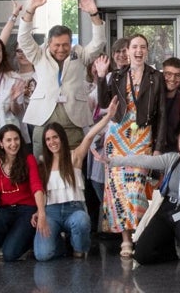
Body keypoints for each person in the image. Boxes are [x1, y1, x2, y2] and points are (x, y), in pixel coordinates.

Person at [96, 34, 167, 257]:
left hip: (142, 136)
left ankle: (140, 234)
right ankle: (125, 239)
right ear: (127, 51)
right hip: (117, 136)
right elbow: (104, 104)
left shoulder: (156, 77)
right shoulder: (116, 76)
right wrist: (100, 76)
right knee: (118, 190)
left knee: (136, 186)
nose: (138, 51)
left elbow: (162, 114)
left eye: (142, 47)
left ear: (147, 50)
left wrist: (158, 146)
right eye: (134, 47)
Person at [108, 128, 180, 265]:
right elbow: (144, 161)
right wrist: (112, 161)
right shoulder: (173, 159)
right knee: (141, 255)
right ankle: (173, 250)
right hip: (168, 208)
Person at [15, 0, 106, 148]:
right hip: (43, 121)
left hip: (73, 122)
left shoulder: (79, 53)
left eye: (65, 44)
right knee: (43, 167)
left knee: (73, 168)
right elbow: (23, 38)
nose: (61, 49)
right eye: (56, 45)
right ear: (48, 43)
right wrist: (30, 9)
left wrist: (93, 14)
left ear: (71, 42)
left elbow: (98, 43)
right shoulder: (39, 54)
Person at [35, 109, 113, 261]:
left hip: (73, 209)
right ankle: (60, 243)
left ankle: (79, 248)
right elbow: (39, 191)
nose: (52, 142)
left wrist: (108, 116)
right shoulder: (43, 162)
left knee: (81, 222)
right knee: (43, 255)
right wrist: (39, 212)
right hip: (51, 212)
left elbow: (90, 136)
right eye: (48, 139)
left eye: (55, 137)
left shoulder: (75, 156)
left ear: (62, 138)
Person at [0, 124, 46, 262]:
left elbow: (36, 185)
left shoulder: (29, 159)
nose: (13, 144)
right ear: (1, 143)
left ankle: (24, 242)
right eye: (8, 140)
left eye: (16, 139)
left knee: (9, 255)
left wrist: (41, 211)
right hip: (5, 210)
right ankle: (11, 242)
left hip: (26, 210)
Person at [160, 57, 180, 151]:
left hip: (173, 151)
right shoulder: (152, 96)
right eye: (168, 74)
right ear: (162, 75)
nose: (173, 79)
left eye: (177, 75)